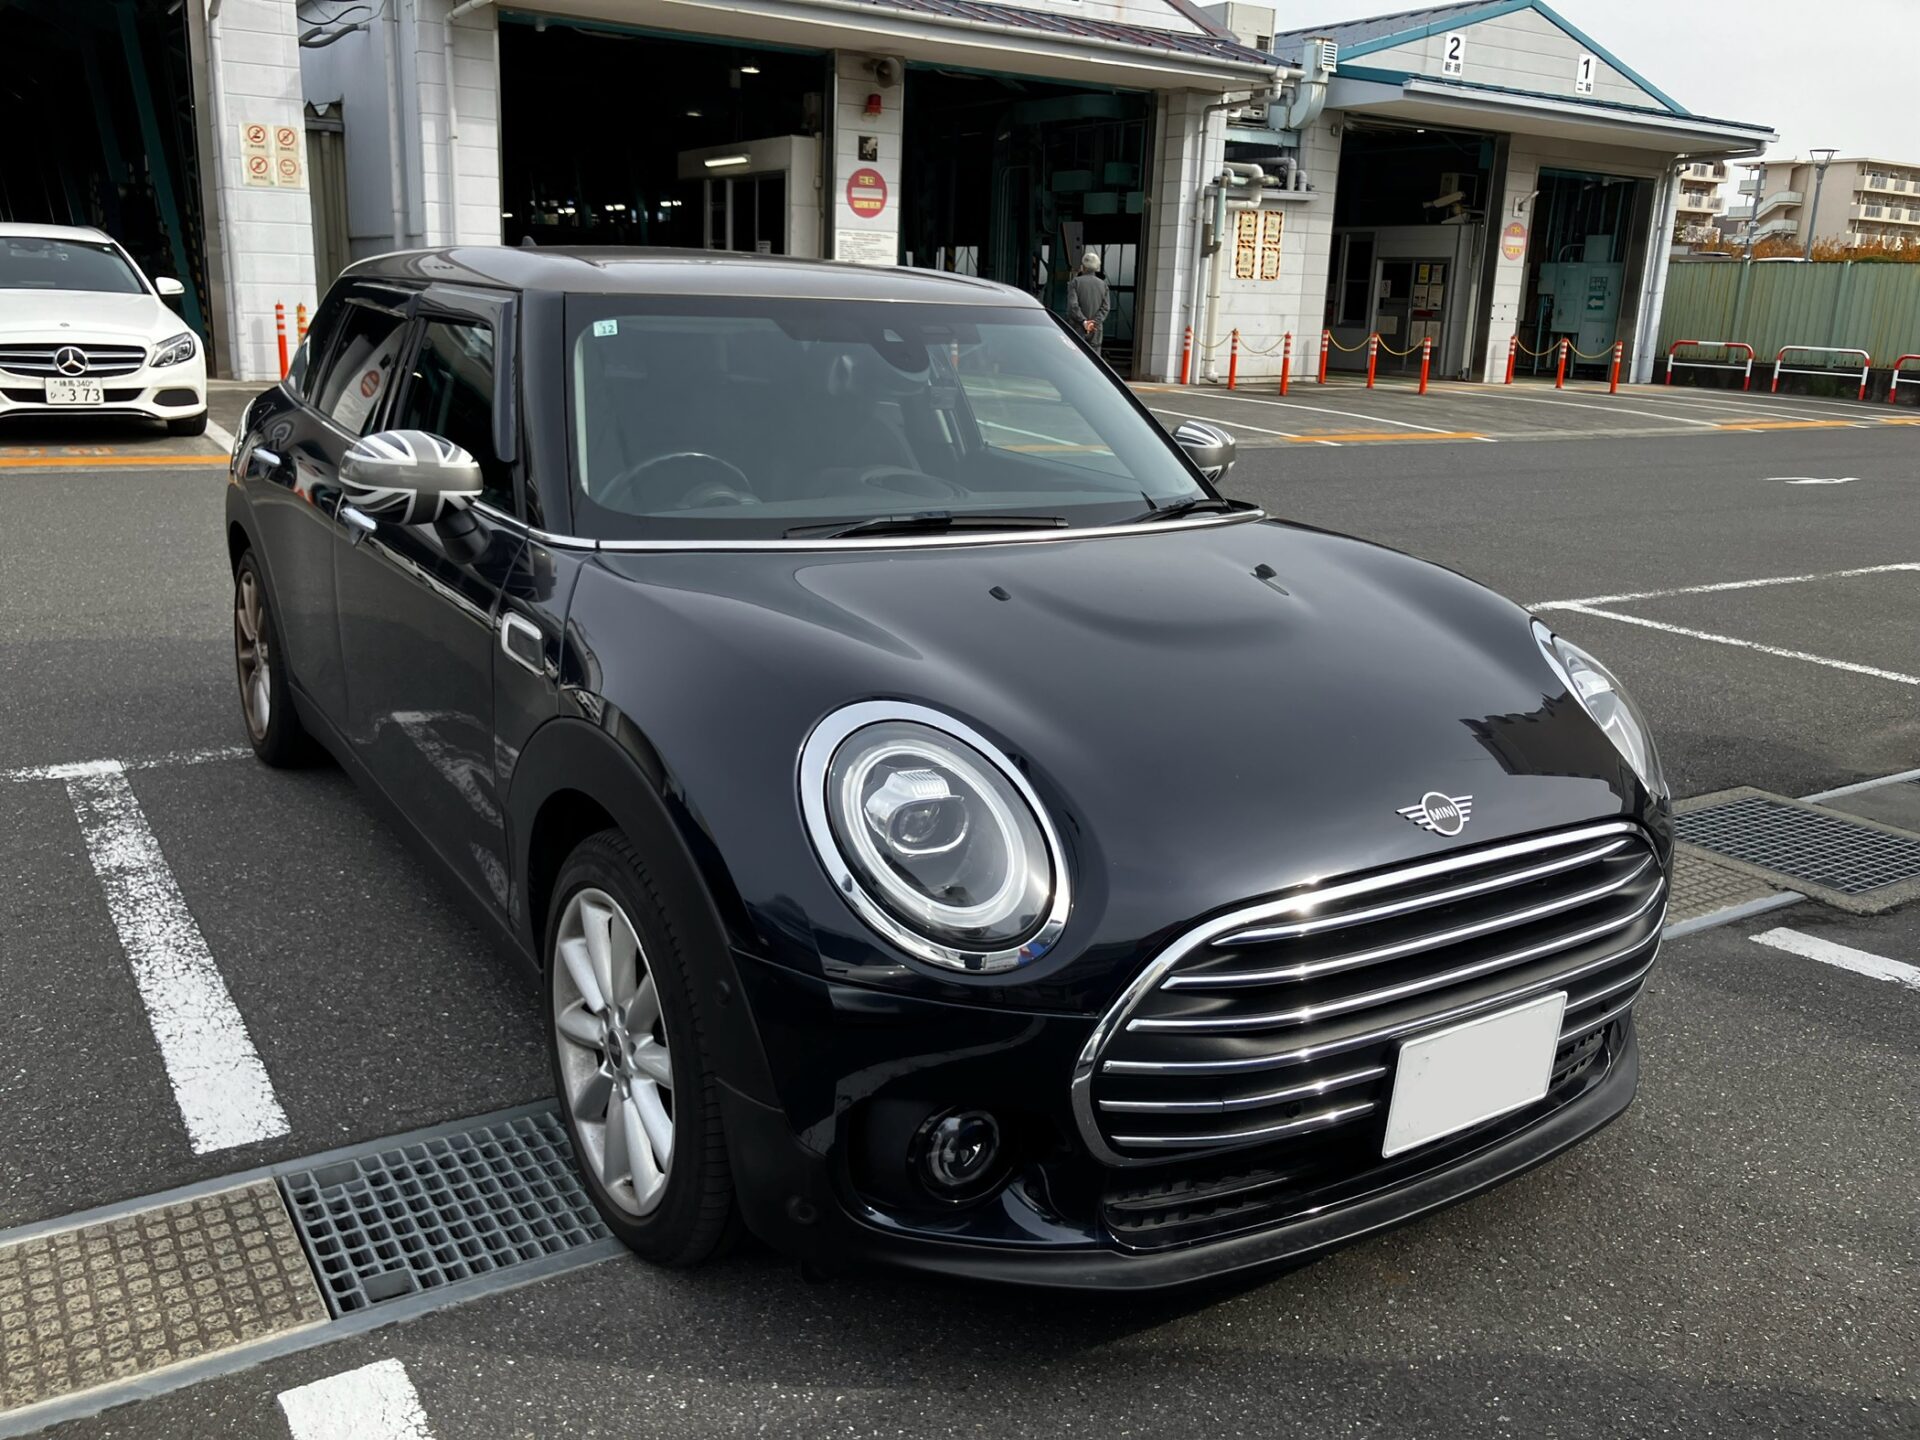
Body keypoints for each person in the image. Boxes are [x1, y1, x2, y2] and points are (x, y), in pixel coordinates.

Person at [1066, 251, 1110, 352]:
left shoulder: (1075, 282)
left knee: (1076, 354)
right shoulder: (1103, 285)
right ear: (1097, 267)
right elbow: (1105, 308)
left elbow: (1073, 306)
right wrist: (1094, 323)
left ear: (1083, 266)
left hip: (1077, 328)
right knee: (1094, 358)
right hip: (1095, 330)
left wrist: (1084, 322)